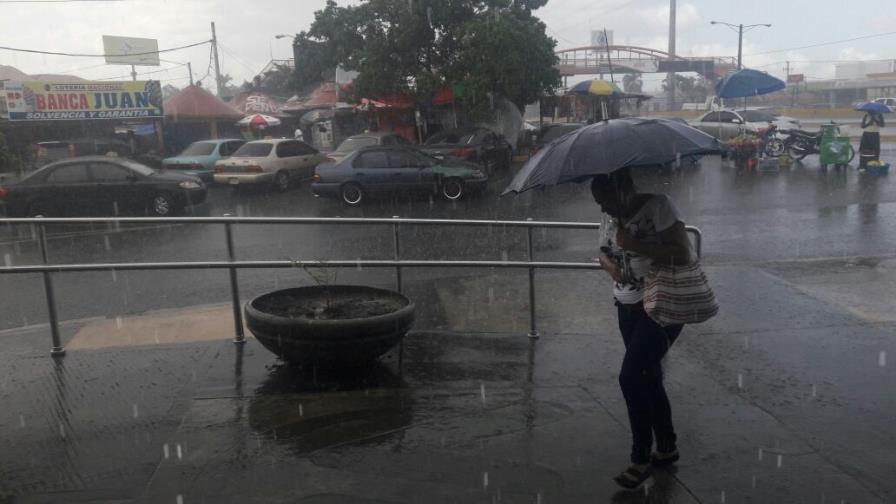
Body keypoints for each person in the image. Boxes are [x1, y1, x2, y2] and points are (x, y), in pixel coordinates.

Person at [591, 169, 694, 490]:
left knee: (631, 376)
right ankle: (666, 446)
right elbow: (603, 255)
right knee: (649, 376)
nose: (603, 209)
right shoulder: (611, 218)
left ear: (624, 189)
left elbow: (682, 252)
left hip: (661, 304)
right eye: (598, 203)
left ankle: (640, 457)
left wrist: (635, 243)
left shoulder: (659, 207)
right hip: (626, 305)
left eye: (606, 200)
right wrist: (613, 268)